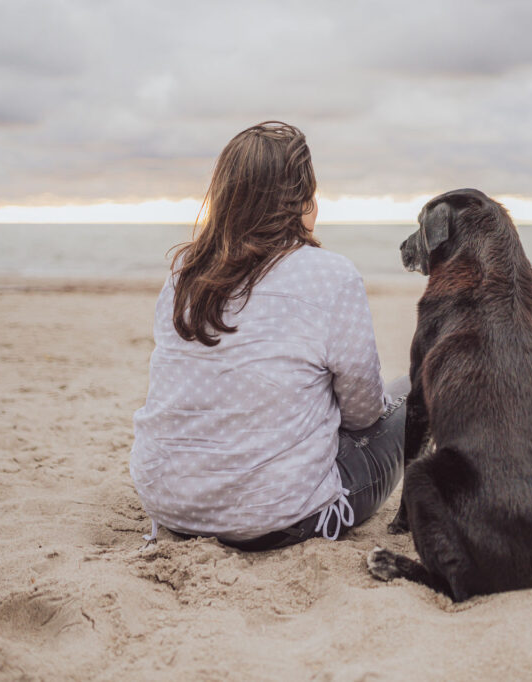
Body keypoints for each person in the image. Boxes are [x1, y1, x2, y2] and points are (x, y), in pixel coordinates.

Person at [130, 121, 406, 551]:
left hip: (172, 507)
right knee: (409, 392)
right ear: (302, 198)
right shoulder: (330, 275)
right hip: (281, 517)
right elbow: (362, 413)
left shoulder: (183, 275)